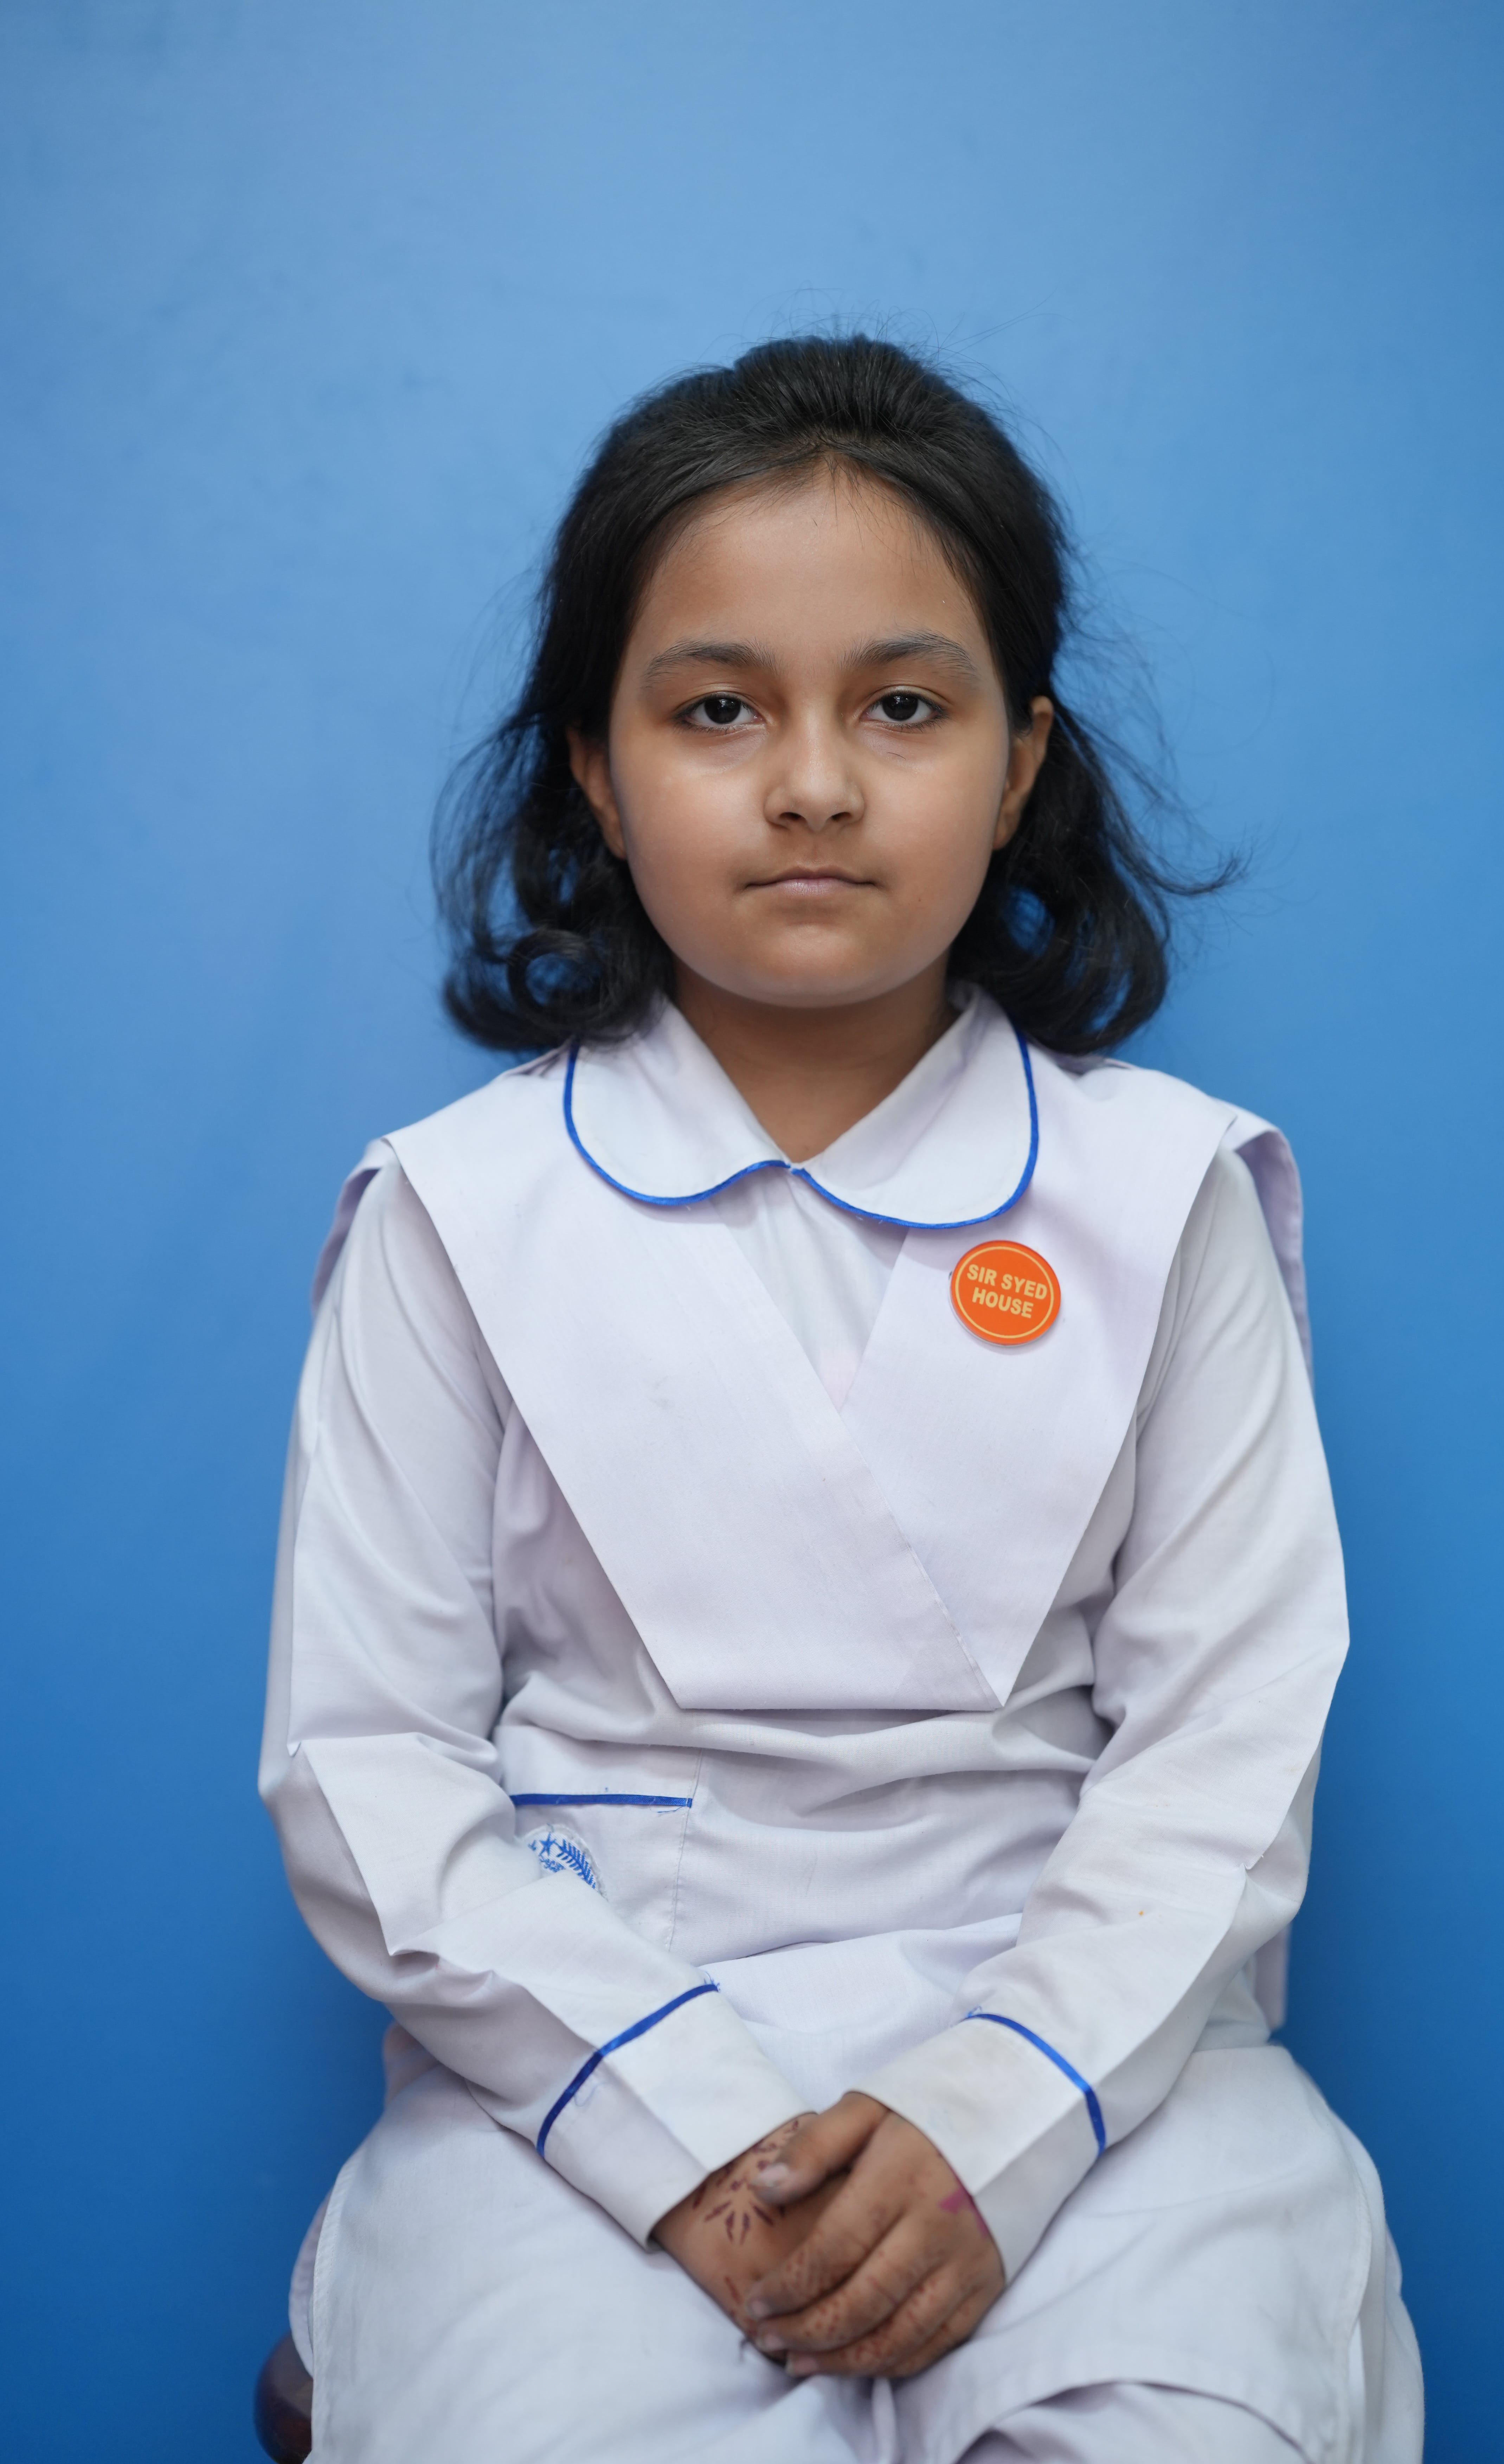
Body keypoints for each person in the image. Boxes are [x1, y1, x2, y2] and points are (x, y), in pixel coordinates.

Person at [262, 334, 1422, 2464]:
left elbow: (1226, 1744)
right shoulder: (457, 1212)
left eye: (903, 706)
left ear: (1020, 758)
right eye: (718, 709)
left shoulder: (1167, 1196)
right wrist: (685, 2135)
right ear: (598, 770)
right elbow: (373, 1767)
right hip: (584, 2047)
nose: (812, 783)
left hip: (1096, 2032)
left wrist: (1001, 2112)